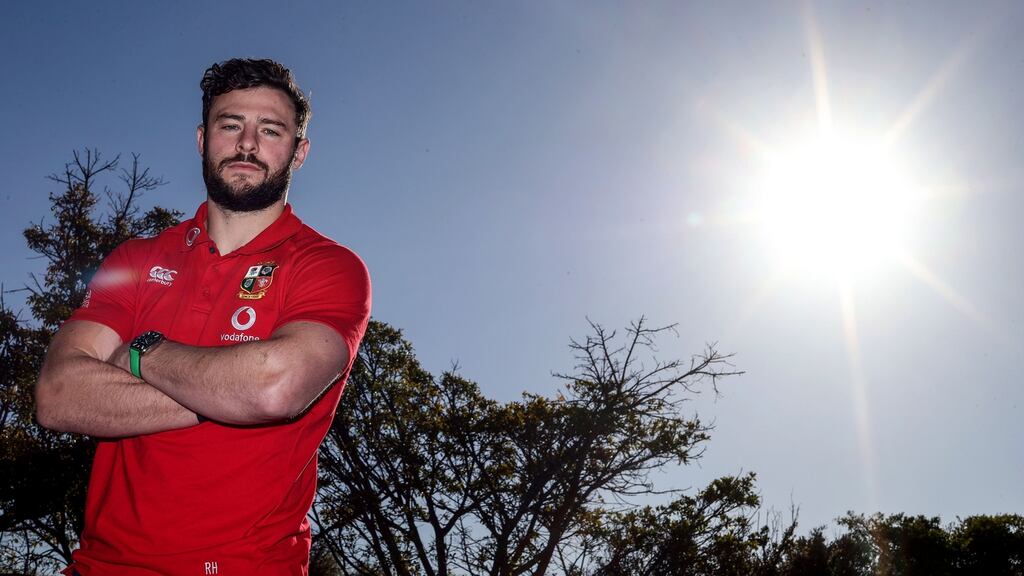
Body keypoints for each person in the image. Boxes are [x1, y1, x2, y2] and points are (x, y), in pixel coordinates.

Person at [34, 58, 371, 575]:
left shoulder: (328, 265)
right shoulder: (135, 259)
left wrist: (141, 353)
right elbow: (58, 395)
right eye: (230, 125)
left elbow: (273, 388)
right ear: (202, 139)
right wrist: (225, 387)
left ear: (299, 152)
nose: (247, 144)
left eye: (270, 130)